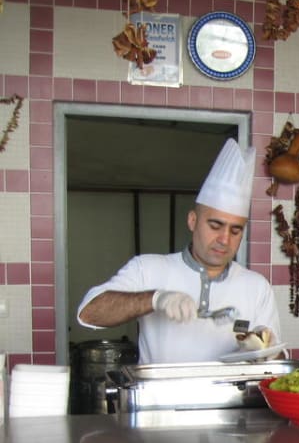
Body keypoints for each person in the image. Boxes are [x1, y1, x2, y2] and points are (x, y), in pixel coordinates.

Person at [77, 138, 282, 364]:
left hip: (234, 389)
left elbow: (278, 361)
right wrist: (155, 299)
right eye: (215, 226)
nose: (225, 239)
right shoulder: (148, 268)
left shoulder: (256, 287)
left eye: (235, 230)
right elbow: (89, 313)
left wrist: (269, 351)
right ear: (193, 221)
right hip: (161, 388)